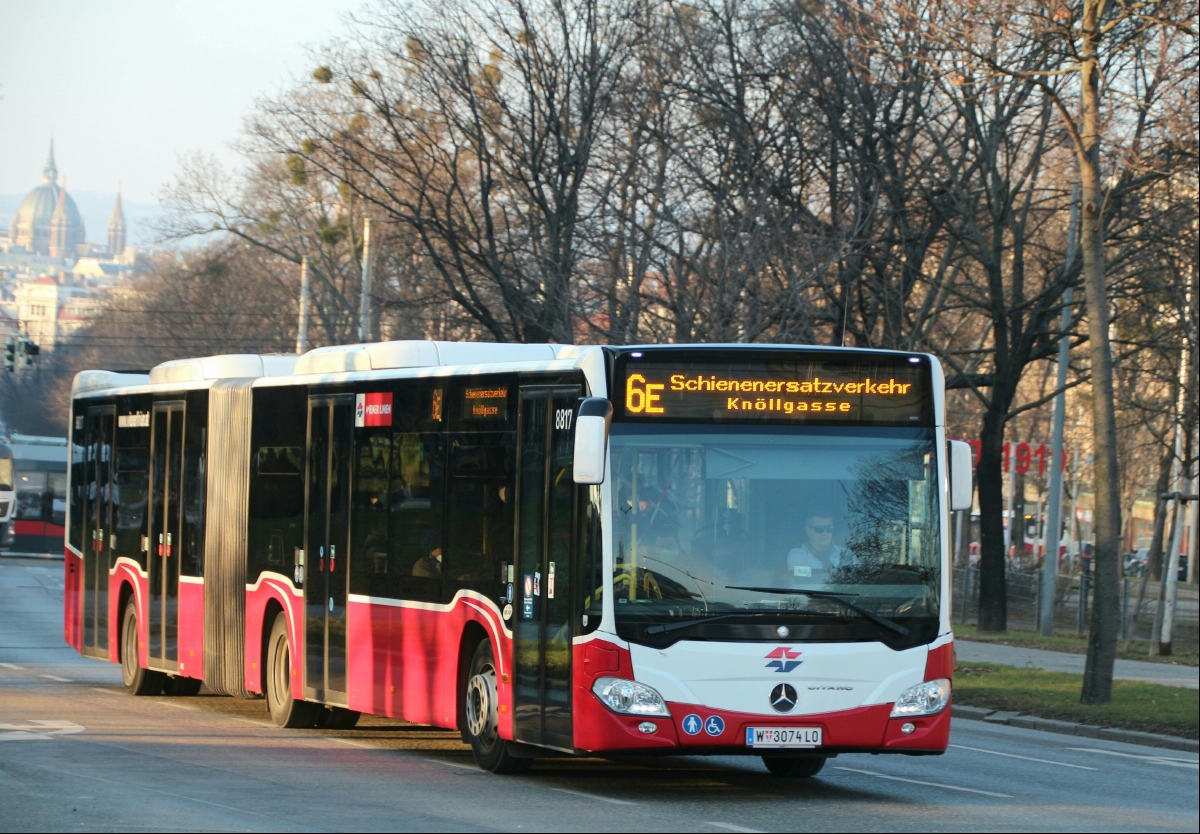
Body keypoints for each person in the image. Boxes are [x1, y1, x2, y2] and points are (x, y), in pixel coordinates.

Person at [786, 511, 848, 584]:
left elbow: (858, 575)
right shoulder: (797, 554)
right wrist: (836, 572)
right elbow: (799, 575)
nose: (825, 533)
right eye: (819, 529)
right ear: (808, 531)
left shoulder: (846, 553)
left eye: (829, 529)